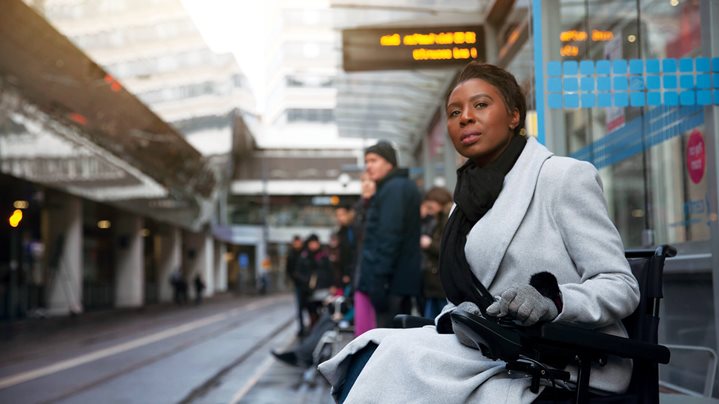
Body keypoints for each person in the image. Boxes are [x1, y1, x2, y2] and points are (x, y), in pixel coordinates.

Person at [318, 62, 640, 403]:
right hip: (492, 349)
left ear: (515, 116)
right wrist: (459, 317)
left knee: (380, 366)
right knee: (369, 354)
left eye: (481, 105)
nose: (465, 118)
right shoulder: (466, 202)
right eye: (455, 112)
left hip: (565, 359)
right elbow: (467, 296)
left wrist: (553, 301)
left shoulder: (562, 177)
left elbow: (620, 285)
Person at [356, 140, 422, 329]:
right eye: (366, 161)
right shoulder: (397, 186)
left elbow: (389, 237)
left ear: (389, 162)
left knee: (388, 337)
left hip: (392, 283)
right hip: (398, 281)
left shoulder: (394, 189)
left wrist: (380, 281)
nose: (368, 166)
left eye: (374, 160)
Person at [419, 186, 453, 319]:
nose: (429, 209)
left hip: (439, 282)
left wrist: (429, 244)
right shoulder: (439, 219)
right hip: (436, 282)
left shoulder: (446, 220)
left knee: (435, 321)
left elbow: (447, 248)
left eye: (430, 205)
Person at [351, 172, 377, 336]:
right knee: (362, 324)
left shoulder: (379, 207)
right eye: (363, 181)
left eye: (370, 181)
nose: (366, 184)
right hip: (362, 271)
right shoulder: (360, 208)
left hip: (376, 273)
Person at [286, 235, 307, 336]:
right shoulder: (291, 255)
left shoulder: (306, 253)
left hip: (308, 285)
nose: (297, 244)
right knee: (299, 308)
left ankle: (310, 327)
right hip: (299, 285)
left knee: (309, 307)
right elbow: (289, 270)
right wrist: (295, 279)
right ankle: (301, 328)